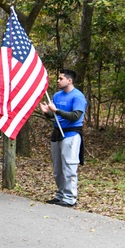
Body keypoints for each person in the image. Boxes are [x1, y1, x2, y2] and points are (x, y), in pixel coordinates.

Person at [39, 70, 86, 207]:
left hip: (71, 135)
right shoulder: (57, 96)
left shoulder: (78, 96)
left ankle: (70, 198)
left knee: (69, 167)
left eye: (61, 78)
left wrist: (56, 111)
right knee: (57, 169)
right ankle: (60, 195)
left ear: (69, 80)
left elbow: (75, 116)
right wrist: (48, 112)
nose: (58, 81)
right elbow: (55, 117)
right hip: (57, 133)